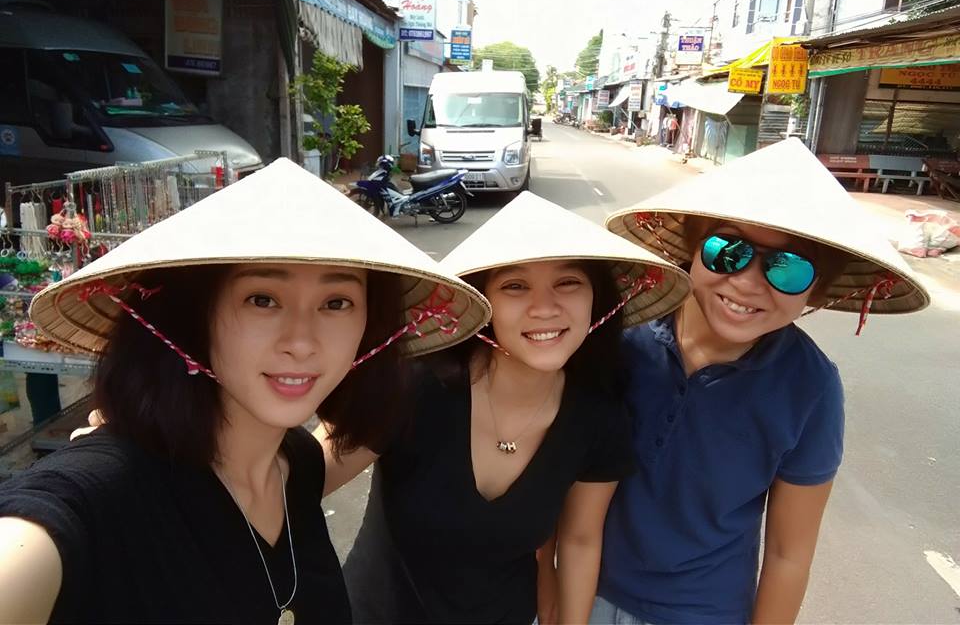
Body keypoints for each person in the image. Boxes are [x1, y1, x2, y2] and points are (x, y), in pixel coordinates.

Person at [0, 158, 489, 624]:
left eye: (337, 302)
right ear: (195, 315)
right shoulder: (96, 498)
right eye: (262, 299)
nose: (302, 342)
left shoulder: (296, 464)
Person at [565, 138, 929, 625]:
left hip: (704, 614)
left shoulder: (810, 388)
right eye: (728, 250)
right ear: (693, 250)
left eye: (788, 268)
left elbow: (788, 554)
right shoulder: (622, 340)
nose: (749, 283)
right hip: (579, 590)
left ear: (817, 289)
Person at [321, 192, 692, 625]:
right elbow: (297, 482)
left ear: (597, 299)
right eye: (515, 286)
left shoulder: (598, 416)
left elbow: (580, 541)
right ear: (483, 301)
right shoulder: (415, 386)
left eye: (568, 283)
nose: (545, 308)